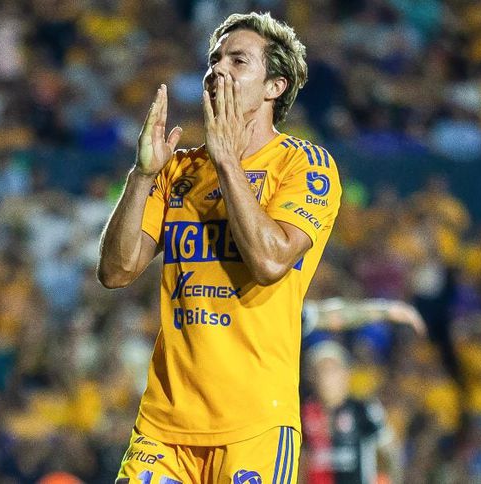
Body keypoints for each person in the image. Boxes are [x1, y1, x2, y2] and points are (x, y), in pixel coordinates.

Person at [98, 11, 341, 484]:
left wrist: (227, 160)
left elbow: (270, 260)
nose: (217, 71)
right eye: (214, 60)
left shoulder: (304, 165)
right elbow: (116, 271)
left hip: (255, 427)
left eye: (238, 60)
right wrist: (143, 175)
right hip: (164, 426)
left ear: (274, 86)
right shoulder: (178, 169)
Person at [301, 341, 402, 484]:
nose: (326, 377)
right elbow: (301, 457)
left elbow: (390, 450)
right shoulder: (305, 412)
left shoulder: (363, 408)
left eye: (332, 370)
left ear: (345, 374)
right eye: (321, 371)